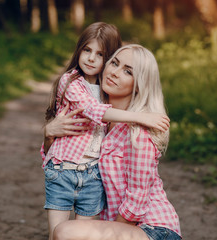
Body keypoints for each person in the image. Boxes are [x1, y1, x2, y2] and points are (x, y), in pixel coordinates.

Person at [41, 23, 171, 240]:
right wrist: (48, 134)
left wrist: (107, 232)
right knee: (62, 233)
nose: (115, 73)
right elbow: (57, 153)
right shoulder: (96, 114)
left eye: (128, 71)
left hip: (152, 229)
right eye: (115, 64)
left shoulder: (139, 131)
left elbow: (135, 204)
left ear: (138, 84)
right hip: (117, 224)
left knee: (64, 232)